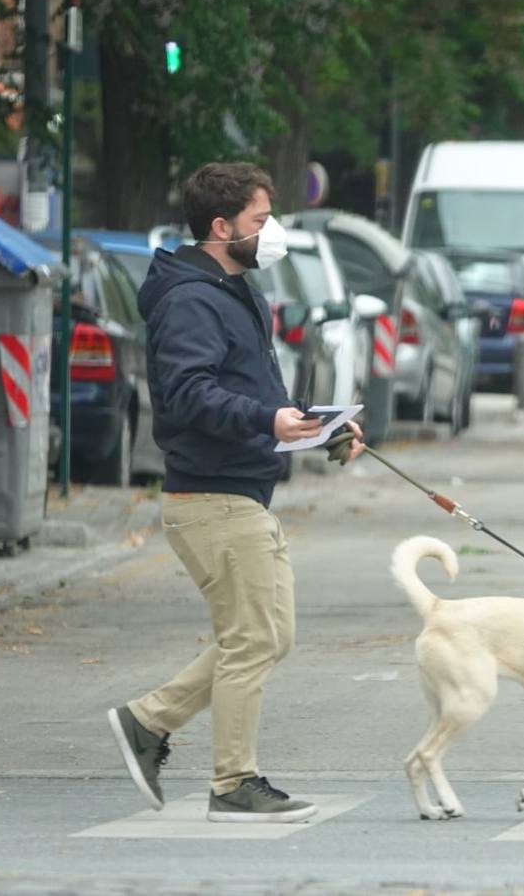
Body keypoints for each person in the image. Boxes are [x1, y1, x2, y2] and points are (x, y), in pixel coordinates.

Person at [106, 162, 364, 823]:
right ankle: (233, 783)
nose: (269, 231)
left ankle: (148, 721)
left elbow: (257, 397)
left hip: (238, 492)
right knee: (255, 638)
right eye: (258, 220)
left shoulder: (234, 290)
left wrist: (318, 426)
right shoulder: (191, 299)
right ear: (222, 228)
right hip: (211, 497)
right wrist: (265, 419)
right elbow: (191, 395)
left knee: (266, 636)